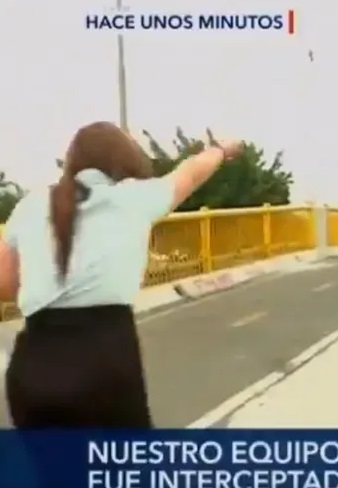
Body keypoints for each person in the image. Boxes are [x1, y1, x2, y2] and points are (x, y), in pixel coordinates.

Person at [0, 121, 243, 428]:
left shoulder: (30, 206)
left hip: (32, 372)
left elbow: (4, 283)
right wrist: (221, 150)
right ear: (121, 163)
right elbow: (192, 171)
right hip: (103, 368)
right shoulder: (133, 199)